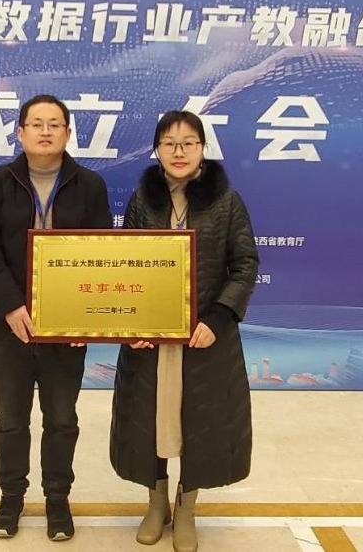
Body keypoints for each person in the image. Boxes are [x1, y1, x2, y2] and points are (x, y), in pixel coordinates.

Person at [110, 111, 259, 552]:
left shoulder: (226, 201)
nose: (179, 152)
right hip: (151, 337)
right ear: (157, 150)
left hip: (204, 338)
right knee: (149, 422)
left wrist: (218, 319)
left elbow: (244, 264)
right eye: (169, 143)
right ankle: (156, 502)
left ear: (202, 148)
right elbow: (126, 264)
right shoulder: (143, 200)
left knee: (200, 423)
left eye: (188, 143)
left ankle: (187, 506)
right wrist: (131, 324)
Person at [0, 94, 112, 541]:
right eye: (36, 124)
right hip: (8, 325)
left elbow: (101, 253)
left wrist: (84, 318)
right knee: (10, 419)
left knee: (62, 419)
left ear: (68, 133)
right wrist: (11, 306)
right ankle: (11, 497)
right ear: (20, 132)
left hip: (65, 329)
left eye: (54, 124)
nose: (45, 131)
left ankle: (57, 499)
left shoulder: (89, 185)